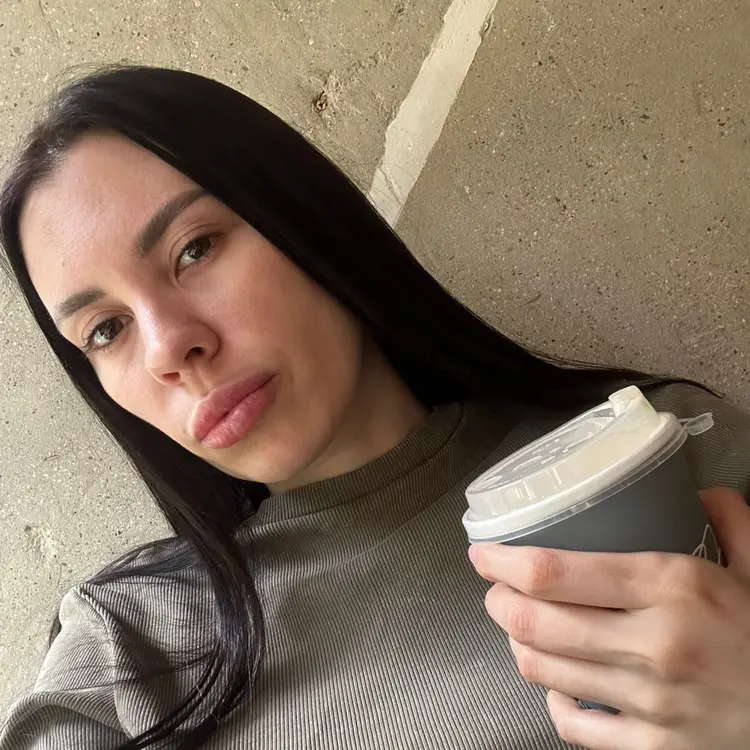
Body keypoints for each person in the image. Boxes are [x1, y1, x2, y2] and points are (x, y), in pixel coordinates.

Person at [0, 65, 748, 750]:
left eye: (194, 249)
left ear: (302, 215)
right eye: (106, 330)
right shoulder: (126, 656)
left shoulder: (672, 453)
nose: (169, 348)